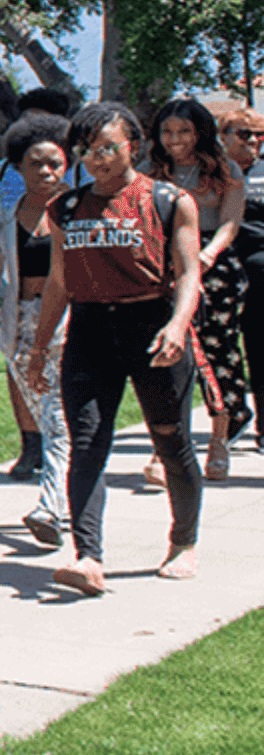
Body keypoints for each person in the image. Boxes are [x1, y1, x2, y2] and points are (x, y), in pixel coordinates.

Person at [22, 102, 203, 594]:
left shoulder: (169, 201)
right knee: (85, 444)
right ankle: (87, 556)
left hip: (152, 326)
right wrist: (40, 349)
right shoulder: (64, 207)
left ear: (134, 147)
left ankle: (184, 542)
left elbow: (189, 273)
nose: (97, 159)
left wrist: (177, 325)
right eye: (87, 150)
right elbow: (59, 281)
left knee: (170, 438)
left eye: (108, 148)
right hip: (89, 331)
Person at [0, 113, 74, 546]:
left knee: (59, 421)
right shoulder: (2, 220)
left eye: (55, 163)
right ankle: (69, 505)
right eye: (36, 164)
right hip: (21, 331)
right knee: (52, 422)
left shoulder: (79, 211)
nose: (47, 171)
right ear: (17, 168)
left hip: (70, 327)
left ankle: (51, 508)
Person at [141, 97, 247, 482]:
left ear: (200, 132)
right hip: (161, 264)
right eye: (167, 132)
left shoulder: (224, 170)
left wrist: (204, 256)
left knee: (217, 352)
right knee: (165, 353)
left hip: (212, 266)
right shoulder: (149, 171)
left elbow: (231, 222)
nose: (175, 139)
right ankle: (163, 449)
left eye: (184, 131)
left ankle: (219, 439)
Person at [223, 103, 264, 458]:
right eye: (244, 134)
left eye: (258, 135)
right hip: (220, 271)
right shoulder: (215, 173)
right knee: (220, 348)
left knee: (260, 348)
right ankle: (235, 414)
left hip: (260, 272)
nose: (252, 141)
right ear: (223, 138)